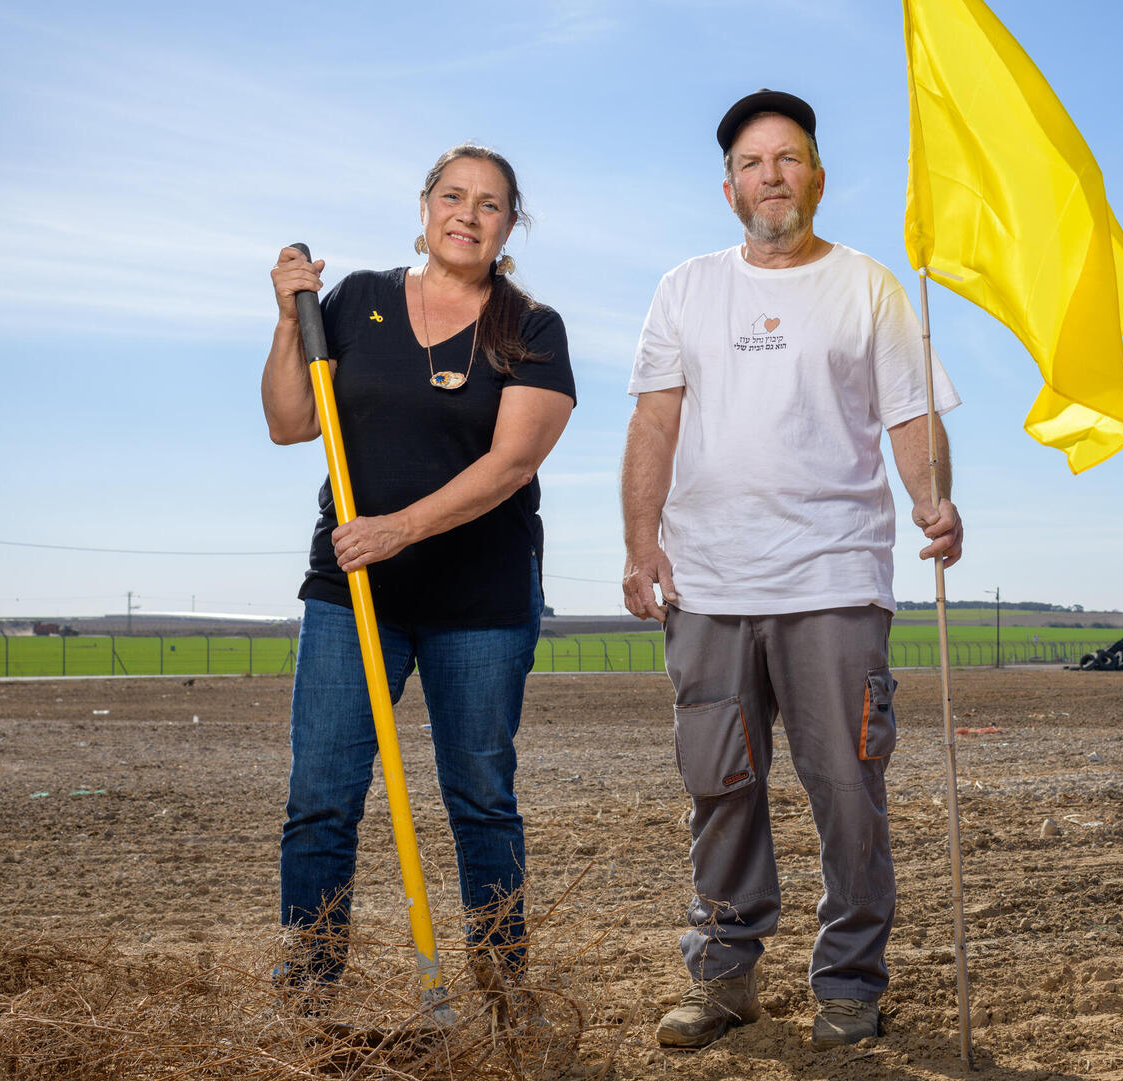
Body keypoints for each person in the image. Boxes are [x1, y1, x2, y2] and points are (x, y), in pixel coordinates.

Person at [619, 90, 963, 1052]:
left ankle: (850, 981)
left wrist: (934, 498)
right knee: (720, 785)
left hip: (834, 578)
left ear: (817, 174)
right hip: (710, 585)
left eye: (790, 157)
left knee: (847, 785)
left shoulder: (869, 285)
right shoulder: (685, 287)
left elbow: (910, 417)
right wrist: (641, 542)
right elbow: (654, 421)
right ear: (728, 186)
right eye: (753, 162)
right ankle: (724, 977)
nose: (772, 175)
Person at [261, 143, 576, 996]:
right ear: (426, 206)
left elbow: (511, 463)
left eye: (490, 204)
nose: (467, 215)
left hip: (479, 602)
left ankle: (501, 992)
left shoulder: (531, 329)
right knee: (321, 798)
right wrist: (293, 320)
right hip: (352, 590)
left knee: (479, 800)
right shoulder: (356, 300)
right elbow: (291, 424)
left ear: (510, 224)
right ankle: (311, 992)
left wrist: (400, 528)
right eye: (453, 196)